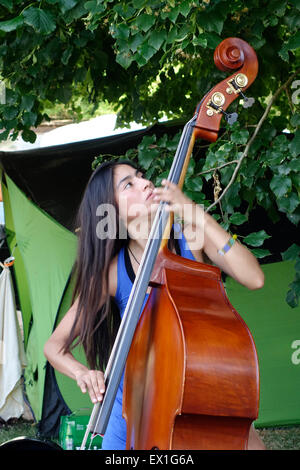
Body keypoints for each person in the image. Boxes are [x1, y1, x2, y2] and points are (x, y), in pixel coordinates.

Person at [44, 159, 266, 450]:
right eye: (129, 185)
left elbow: (254, 278)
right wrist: (83, 373)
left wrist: (194, 213)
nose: (146, 183)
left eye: (141, 176)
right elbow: (54, 347)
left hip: (200, 394)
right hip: (136, 410)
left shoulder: (190, 238)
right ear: (112, 211)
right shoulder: (113, 273)